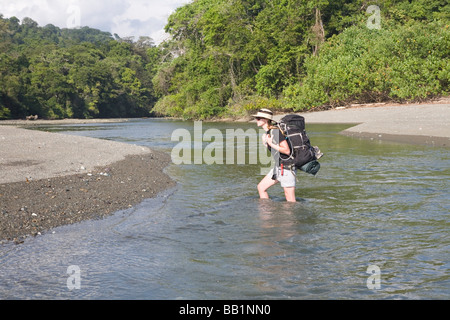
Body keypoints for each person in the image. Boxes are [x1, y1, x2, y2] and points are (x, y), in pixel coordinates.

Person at [253, 109, 297, 202]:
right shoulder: (268, 133)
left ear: (265, 119)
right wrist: (266, 143)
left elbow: (287, 150)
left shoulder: (275, 132)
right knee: (261, 187)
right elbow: (276, 152)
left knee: (290, 200)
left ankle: (293, 216)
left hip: (287, 168)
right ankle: (267, 213)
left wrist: (271, 144)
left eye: (258, 118)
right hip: (278, 167)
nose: (256, 120)